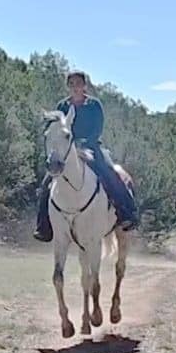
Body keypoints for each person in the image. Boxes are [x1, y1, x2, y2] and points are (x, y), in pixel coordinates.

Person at [34, 71, 138, 242]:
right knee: (47, 182)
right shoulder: (62, 106)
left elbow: (97, 129)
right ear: (68, 87)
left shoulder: (94, 105)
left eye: (78, 84)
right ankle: (43, 226)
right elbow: (58, 131)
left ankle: (127, 213)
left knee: (110, 172)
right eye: (72, 84)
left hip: (92, 148)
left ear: (85, 86)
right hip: (67, 152)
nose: (75, 88)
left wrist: (81, 144)